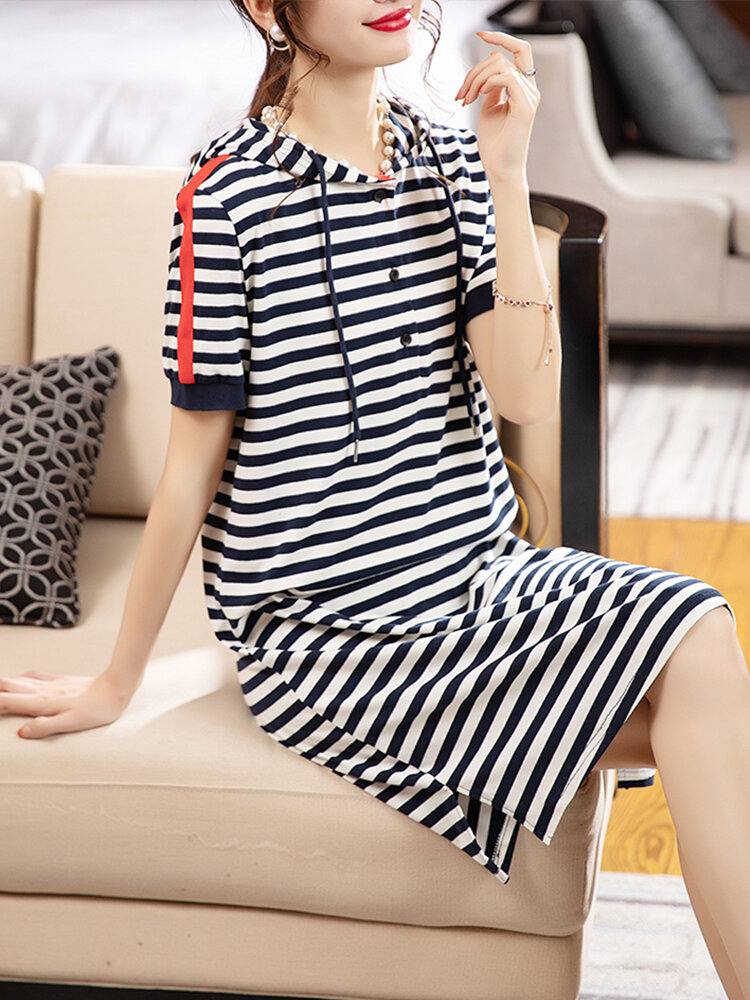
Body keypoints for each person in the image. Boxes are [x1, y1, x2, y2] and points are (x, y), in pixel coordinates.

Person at [2, 1, 749, 993]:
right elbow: (189, 470)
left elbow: (526, 394)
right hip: (329, 631)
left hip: (479, 580)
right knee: (710, 705)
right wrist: (117, 679)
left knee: (703, 642)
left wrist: (508, 174)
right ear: (269, 8)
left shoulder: (449, 159)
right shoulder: (225, 198)